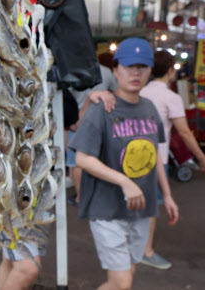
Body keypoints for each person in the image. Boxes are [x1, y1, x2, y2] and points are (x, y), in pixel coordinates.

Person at [70, 38, 179, 290]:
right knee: (121, 283)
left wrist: (168, 195)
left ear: (151, 71)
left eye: (143, 66)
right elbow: (82, 158)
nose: (136, 73)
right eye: (130, 66)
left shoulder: (150, 108)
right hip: (107, 210)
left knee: (126, 275)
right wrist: (124, 181)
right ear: (116, 70)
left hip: (141, 209)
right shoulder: (102, 108)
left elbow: (155, 157)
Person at [138, 51, 205, 270]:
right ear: (170, 71)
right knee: (150, 206)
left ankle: (133, 247)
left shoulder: (139, 91)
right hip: (155, 159)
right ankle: (145, 251)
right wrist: (202, 159)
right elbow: (185, 133)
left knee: (135, 203)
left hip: (131, 157)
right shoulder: (171, 97)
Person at [67, 52, 119, 205]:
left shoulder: (73, 72)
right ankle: (97, 195)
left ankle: (80, 197)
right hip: (101, 119)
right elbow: (115, 90)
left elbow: (68, 97)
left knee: (76, 162)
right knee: (97, 158)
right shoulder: (106, 71)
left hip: (78, 118)